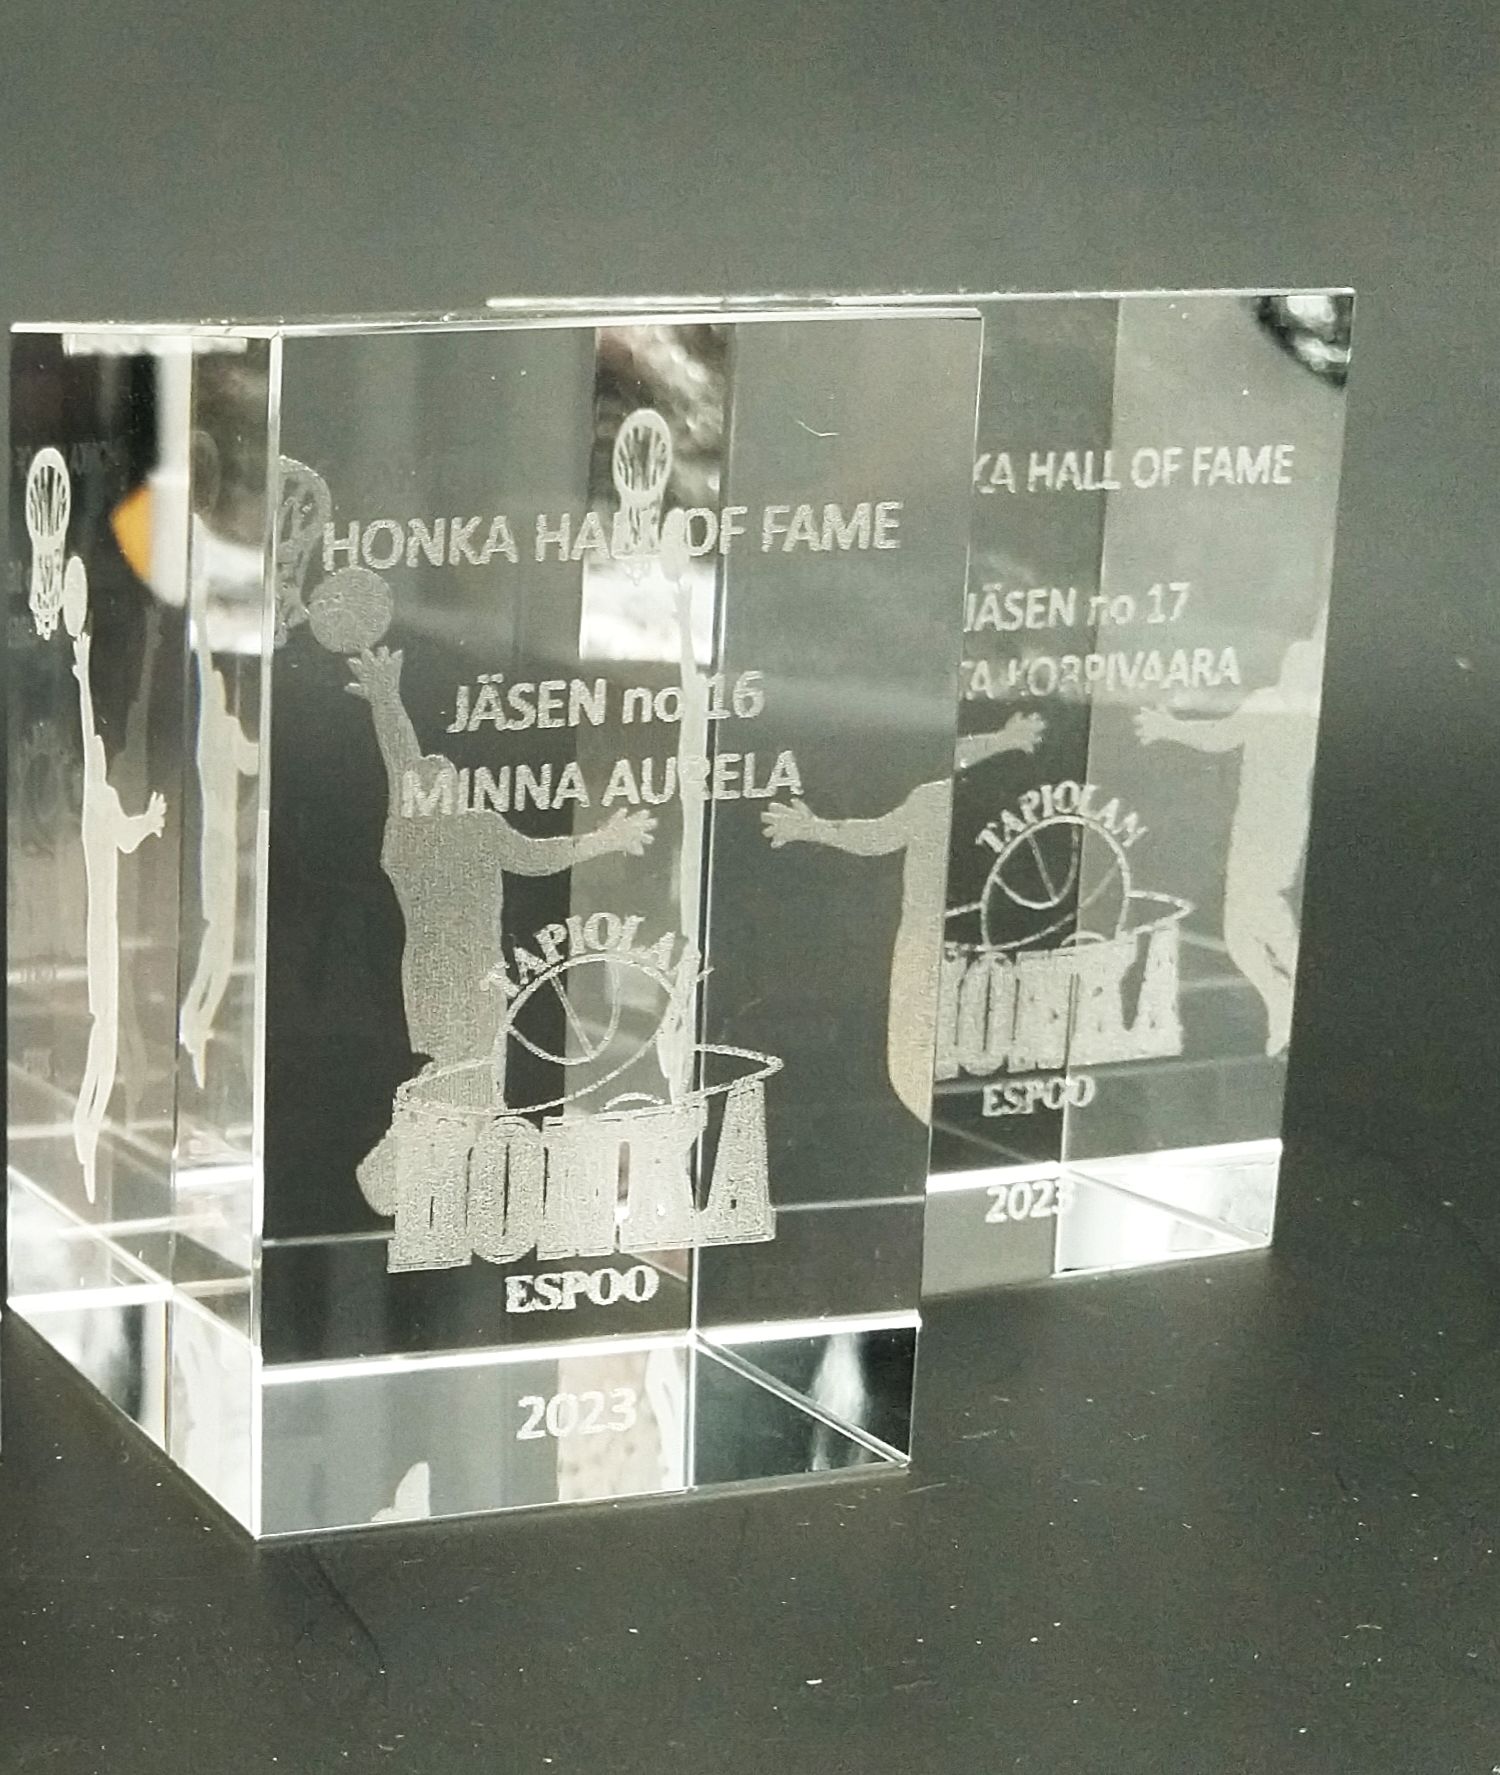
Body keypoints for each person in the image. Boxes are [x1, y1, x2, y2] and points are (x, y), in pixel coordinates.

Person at [762, 711, 1044, 1118]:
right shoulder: (933, 800)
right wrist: (814, 828)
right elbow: (879, 835)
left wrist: (1004, 740)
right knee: (921, 1044)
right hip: (926, 945)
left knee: (978, 1032)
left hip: (979, 946)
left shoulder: (996, 805)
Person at [1135, 633, 1322, 1056]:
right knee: (1237, 932)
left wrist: (1169, 728)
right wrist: (1171, 728)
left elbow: (1220, 736)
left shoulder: (1289, 708)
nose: (1290, 668)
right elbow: (1222, 735)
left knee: (1263, 909)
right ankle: (1280, 1002)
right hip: (1256, 824)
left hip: (1276, 826)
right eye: (1290, 661)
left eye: (1300, 664)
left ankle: (1295, 993)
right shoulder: (1276, 702)